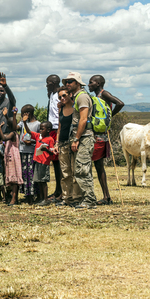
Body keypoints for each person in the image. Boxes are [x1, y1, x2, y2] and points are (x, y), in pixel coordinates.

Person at [88, 75, 125, 205]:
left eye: (91, 82)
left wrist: (110, 116)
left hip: (101, 135)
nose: (89, 85)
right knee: (98, 166)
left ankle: (106, 197)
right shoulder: (96, 96)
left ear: (98, 83)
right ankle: (106, 196)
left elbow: (120, 103)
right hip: (97, 134)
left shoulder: (104, 94)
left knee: (98, 166)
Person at [63, 72, 96, 209]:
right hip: (81, 137)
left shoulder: (82, 97)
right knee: (82, 168)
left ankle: (89, 200)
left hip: (84, 137)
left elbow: (83, 119)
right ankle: (87, 198)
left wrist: (76, 138)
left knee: (81, 169)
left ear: (78, 83)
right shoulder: (77, 97)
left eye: (71, 81)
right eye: (66, 81)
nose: (67, 84)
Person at [54, 86, 83, 207]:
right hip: (62, 143)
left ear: (70, 94)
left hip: (74, 143)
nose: (62, 98)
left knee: (76, 170)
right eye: (60, 97)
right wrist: (56, 143)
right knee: (65, 172)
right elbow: (59, 128)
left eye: (64, 95)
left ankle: (77, 197)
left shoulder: (76, 107)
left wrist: (76, 140)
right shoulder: (61, 109)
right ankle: (67, 197)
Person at [22, 117, 56, 206]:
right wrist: (25, 122)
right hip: (37, 161)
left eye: (42, 129)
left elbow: (52, 153)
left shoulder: (50, 140)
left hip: (44, 162)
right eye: (40, 129)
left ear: (48, 130)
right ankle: (41, 198)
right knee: (38, 181)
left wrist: (46, 149)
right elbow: (29, 132)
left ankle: (45, 199)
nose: (40, 130)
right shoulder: (38, 136)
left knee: (43, 181)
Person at [0, 107, 23, 205]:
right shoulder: (13, 133)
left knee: (14, 179)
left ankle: (14, 199)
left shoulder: (13, 134)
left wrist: (0, 129)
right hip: (11, 157)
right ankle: (14, 198)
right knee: (13, 179)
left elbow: (4, 137)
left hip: (13, 157)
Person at [17, 105, 41, 204]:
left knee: (31, 174)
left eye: (23, 114)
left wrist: (31, 143)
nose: (23, 116)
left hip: (32, 152)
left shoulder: (37, 124)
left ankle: (33, 195)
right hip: (23, 151)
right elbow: (15, 127)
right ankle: (26, 194)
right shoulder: (23, 122)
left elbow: (40, 139)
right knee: (24, 174)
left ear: (28, 114)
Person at [46, 75, 63, 202]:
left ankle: (61, 191)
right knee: (55, 162)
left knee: (59, 162)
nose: (46, 85)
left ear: (53, 83)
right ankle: (58, 190)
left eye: (48, 83)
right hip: (51, 129)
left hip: (58, 129)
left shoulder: (59, 95)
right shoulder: (52, 94)